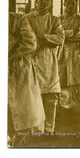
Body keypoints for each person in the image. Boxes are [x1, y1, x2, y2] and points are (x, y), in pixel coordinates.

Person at [25, 0, 65, 133]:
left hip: (48, 61)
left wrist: (41, 36)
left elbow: (60, 39)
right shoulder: (27, 18)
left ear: (50, 2)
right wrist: (38, 41)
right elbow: (23, 37)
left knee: (51, 97)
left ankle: (49, 129)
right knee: (33, 96)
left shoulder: (54, 20)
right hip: (31, 60)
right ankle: (36, 130)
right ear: (37, 0)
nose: (44, 2)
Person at [8, 13, 45, 146]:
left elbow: (30, 43)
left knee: (23, 111)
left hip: (18, 66)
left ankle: (16, 142)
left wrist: (10, 54)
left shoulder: (18, 18)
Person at [58, 0, 80, 114]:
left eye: (73, 3)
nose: (71, 6)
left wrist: (64, 36)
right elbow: (57, 36)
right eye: (68, 3)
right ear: (64, 3)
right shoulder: (58, 19)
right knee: (64, 78)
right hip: (62, 51)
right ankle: (66, 105)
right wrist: (72, 33)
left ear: (76, 5)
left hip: (77, 52)